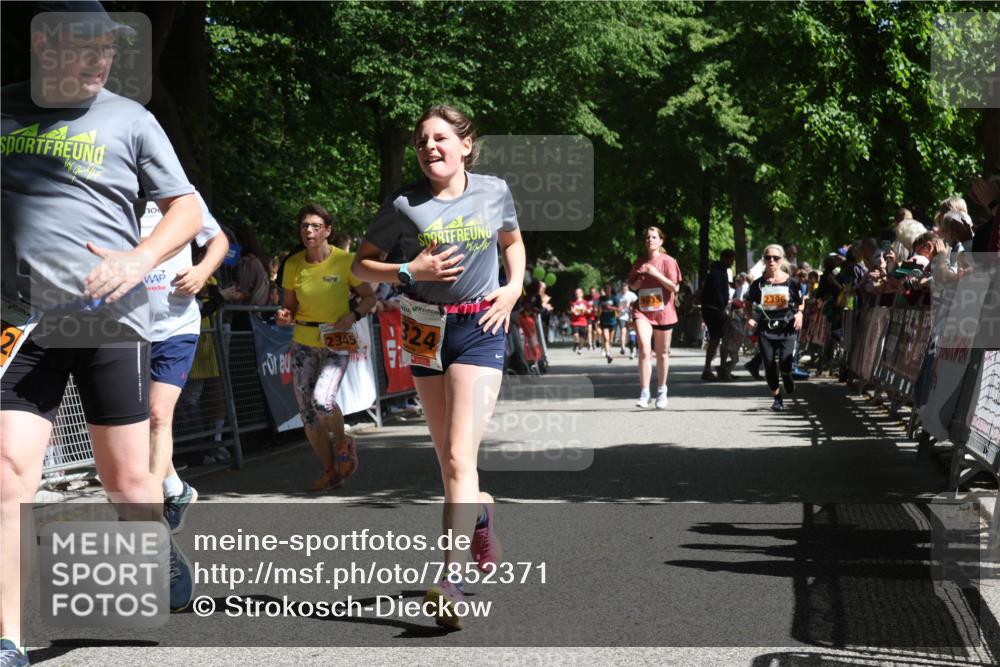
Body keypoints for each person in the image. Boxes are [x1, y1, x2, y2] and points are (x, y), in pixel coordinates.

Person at [1, 4, 202, 664]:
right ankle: (7, 637)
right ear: (41, 43)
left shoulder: (130, 120)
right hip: (19, 320)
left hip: (108, 320)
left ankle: (159, 551)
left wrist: (140, 259)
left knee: (125, 481)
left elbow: (187, 207)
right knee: (8, 478)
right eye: (84, 46)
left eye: (108, 48)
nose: (99, 59)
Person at [352, 104, 525, 630]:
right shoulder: (404, 205)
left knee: (456, 455)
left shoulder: (494, 191)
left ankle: (447, 580)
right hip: (424, 330)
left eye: (441, 138)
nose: (430, 147)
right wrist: (409, 269)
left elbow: (513, 244)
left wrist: (512, 290)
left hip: (480, 329)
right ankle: (482, 508)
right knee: (451, 462)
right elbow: (359, 264)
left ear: (465, 145)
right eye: (423, 140)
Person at [141, 193, 228, 570]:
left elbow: (218, 239)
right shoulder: (108, 185)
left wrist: (202, 271)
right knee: (138, 424)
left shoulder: (179, 192)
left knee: (159, 415)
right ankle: (177, 489)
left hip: (176, 326)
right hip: (127, 328)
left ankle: (148, 517)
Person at [277, 203, 376, 493]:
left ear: (328, 231)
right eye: (304, 226)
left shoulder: (346, 261)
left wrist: (353, 315)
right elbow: (288, 307)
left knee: (323, 400)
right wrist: (284, 315)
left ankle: (344, 444)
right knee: (308, 414)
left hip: (336, 341)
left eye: (315, 226)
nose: (309, 231)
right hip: (304, 343)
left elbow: (369, 298)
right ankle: (331, 471)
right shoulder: (293, 264)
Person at [627, 226, 682, 408]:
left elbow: (674, 288)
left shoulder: (668, 261)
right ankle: (644, 392)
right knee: (644, 348)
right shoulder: (639, 262)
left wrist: (654, 273)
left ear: (661, 241)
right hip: (642, 311)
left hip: (663, 312)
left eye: (653, 237)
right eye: (647, 237)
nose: (650, 240)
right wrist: (638, 282)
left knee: (663, 354)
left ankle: (662, 390)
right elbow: (633, 287)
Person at [746, 244, 805, 412]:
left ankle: (786, 374)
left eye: (776, 258)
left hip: (786, 328)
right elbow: (748, 303)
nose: (771, 260)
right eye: (768, 257)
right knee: (769, 364)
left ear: (781, 260)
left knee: (786, 362)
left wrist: (799, 314)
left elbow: (801, 304)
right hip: (766, 329)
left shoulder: (792, 282)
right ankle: (777, 397)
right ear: (764, 260)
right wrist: (749, 318)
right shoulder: (758, 284)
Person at [700, 249, 735, 380]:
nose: (732, 263)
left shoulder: (719, 271)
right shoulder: (717, 272)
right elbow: (717, 292)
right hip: (713, 309)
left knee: (719, 338)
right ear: (725, 258)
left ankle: (721, 368)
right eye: (731, 260)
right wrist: (722, 309)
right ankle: (708, 369)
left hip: (714, 308)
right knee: (715, 339)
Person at [597, 282, 619, 363]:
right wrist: (599, 314)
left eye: (608, 288)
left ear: (611, 289)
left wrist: (610, 307)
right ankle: (608, 354)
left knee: (611, 340)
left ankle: (609, 350)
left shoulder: (615, 298)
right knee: (606, 338)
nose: (607, 290)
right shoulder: (601, 299)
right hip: (604, 320)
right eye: (605, 289)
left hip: (612, 320)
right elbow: (598, 309)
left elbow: (619, 308)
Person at [616, 282, 637, 357]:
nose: (624, 290)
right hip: (621, 316)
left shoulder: (632, 295)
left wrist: (631, 308)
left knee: (632, 333)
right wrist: (618, 309)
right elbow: (615, 306)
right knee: (623, 332)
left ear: (628, 288)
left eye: (625, 288)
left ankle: (633, 348)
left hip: (630, 316)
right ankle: (622, 348)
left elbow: (637, 304)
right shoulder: (618, 296)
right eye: (622, 289)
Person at [568, 287, 591, 354]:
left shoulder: (585, 302)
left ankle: (579, 348)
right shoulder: (573, 303)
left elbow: (589, 311)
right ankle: (576, 343)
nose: (577, 294)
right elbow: (570, 311)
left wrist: (585, 310)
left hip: (583, 322)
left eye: (578, 292)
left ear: (582, 294)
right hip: (575, 322)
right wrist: (571, 311)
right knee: (576, 335)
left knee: (583, 337)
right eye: (576, 293)